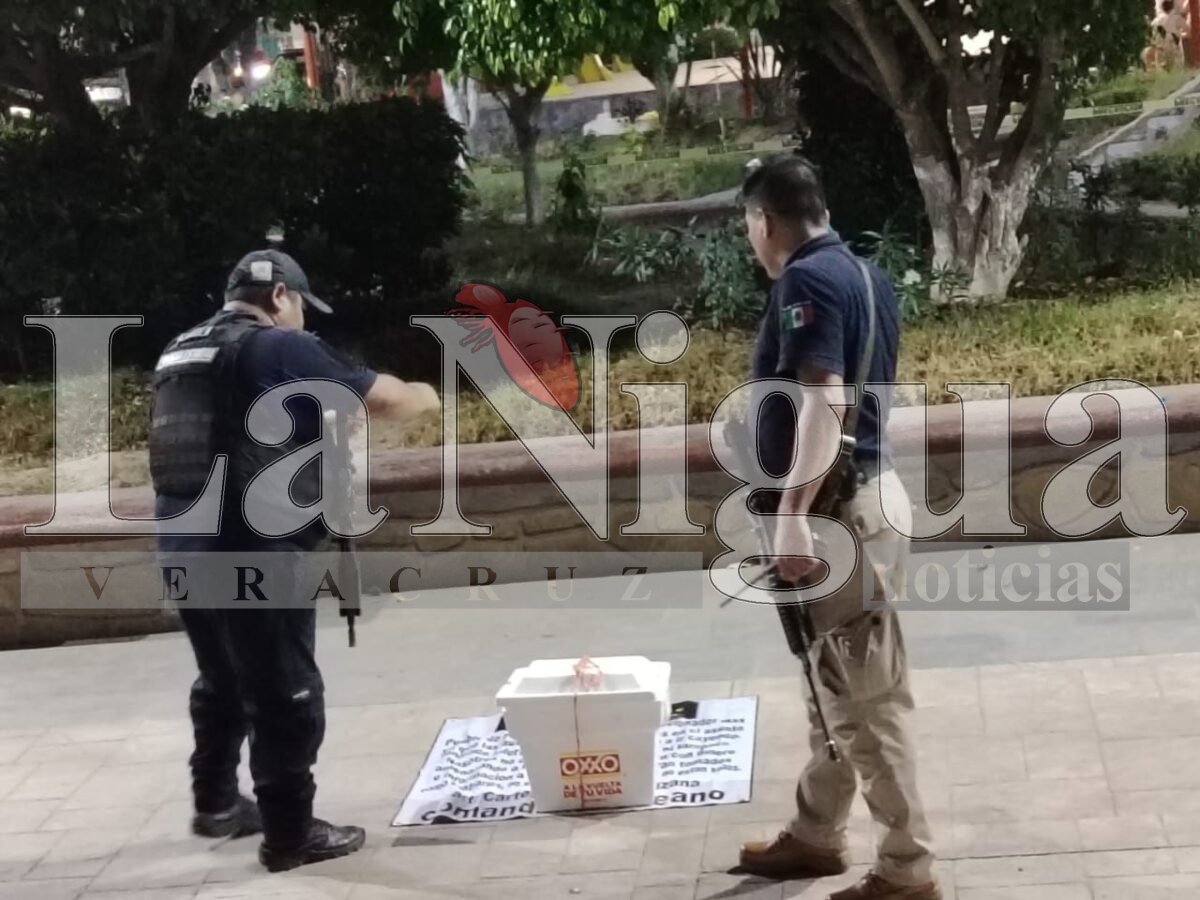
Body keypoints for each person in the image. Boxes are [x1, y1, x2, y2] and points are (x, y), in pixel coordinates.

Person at [150, 249, 439, 872]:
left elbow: (235, 432)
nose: (305, 319)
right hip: (254, 553)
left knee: (222, 680)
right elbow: (386, 401)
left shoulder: (180, 350)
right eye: (303, 306)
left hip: (181, 546)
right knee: (285, 695)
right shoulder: (278, 346)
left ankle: (216, 803)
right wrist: (426, 393)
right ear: (280, 295)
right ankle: (289, 836)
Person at [734, 156, 939, 900]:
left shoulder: (807, 282)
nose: (751, 240)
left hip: (836, 514)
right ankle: (817, 831)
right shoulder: (864, 275)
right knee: (835, 683)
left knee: (866, 703)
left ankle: (907, 869)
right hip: (863, 500)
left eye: (749, 226)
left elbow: (826, 401)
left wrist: (792, 514)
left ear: (765, 221)